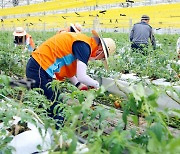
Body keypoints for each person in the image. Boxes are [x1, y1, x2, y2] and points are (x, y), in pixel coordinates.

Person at [26, 30, 116, 128]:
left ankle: (43, 130)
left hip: (38, 67)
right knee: (57, 108)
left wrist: (78, 84)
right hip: (39, 68)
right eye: (102, 58)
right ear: (100, 50)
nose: (99, 59)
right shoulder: (85, 47)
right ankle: (56, 135)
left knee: (48, 104)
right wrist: (97, 86)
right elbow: (82, 76)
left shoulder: (82, 43)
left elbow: (69, 69)